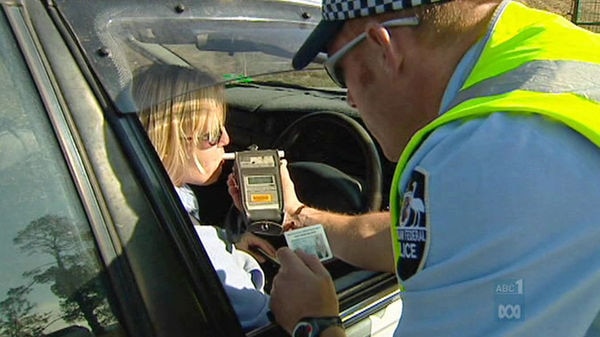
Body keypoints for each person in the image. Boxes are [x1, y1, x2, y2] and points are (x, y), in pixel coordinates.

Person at [268, 0, 600, 336]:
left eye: (339, 72)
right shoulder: (553, 51)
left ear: (383, 47)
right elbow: (439, 234)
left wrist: (312, 322)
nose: (350, 99)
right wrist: (299, 216)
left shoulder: (488, 153)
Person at [132, 64, 275, 331]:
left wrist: (233, 251)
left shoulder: (158, 194)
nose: (226, 139)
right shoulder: (192, 239)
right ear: (166, 141)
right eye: (211, 135)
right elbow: (266, 317)